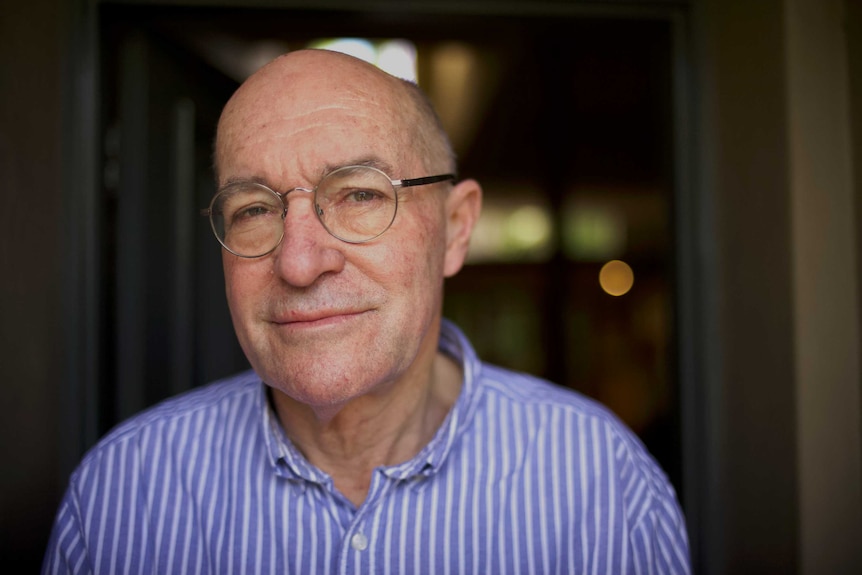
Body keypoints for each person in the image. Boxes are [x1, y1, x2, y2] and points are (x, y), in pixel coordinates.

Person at [43, 49, 690, 574]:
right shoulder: (120, 495)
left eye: (356, 194)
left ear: (456, 228)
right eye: (255, 209)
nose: (299, 262)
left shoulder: (603, 485)